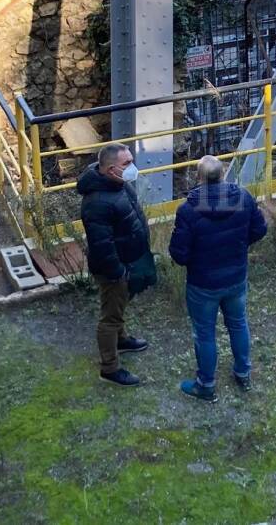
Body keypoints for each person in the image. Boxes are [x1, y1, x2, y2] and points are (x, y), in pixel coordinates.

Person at [168, 155, 267, 403]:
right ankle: (243, 373)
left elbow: (179, 254)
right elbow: (259, 229)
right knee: (238, 323)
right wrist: (240, 247)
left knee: (204, 334)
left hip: (203, 283)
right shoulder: (243, 197)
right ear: (223, 174)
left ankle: (206, 385)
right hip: (235, 277)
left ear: (198, 178)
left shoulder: (188, 210)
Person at [78, 143, 157, 387]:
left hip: (128, 261)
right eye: (126, 163)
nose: (132, 167)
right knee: (110, 316)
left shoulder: (117, 184)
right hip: (115, 269)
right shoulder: (97, 202)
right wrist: (118, 273)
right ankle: (110, 368)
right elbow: (102, 245)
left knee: (119, 306)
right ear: (112, 170)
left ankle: (121, 340)